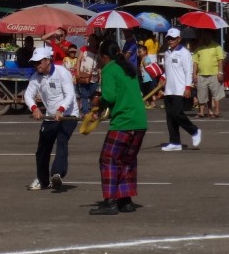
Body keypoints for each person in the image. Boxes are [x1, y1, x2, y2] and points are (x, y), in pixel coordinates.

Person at [89, 39, 148, 215]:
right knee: (127, 160)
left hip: (124, 121)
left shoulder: (109, 69)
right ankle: (125, 200)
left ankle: (110, 201)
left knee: (108, 159)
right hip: (139, 121)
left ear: (105, 57)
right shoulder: (127, 67)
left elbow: (110, 96)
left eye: (99, 56)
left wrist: (97, 101)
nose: (98, 59)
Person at [24, 45, 80, 191]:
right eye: (34, 63)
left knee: (62, 141)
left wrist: (61, 109)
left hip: (68, 115)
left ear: (47, 60)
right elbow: (28, 95)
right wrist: (34, 108)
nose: (36, 66)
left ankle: (57, 173)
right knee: (42, 148)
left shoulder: (62, 73)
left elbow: (70, 95)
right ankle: (42, 180)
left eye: (38, 62)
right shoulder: (36, 77)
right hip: (50, 116)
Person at [161, 27, 200, 151]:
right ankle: (175, 142)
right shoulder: (167, 53)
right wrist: (162, 77)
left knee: (177, 113)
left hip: (180, 88)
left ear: (179, 39)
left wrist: (188, 87)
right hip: (169, 89)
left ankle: (194, 131)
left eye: (173, 38)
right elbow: (167, 70)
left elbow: (188, 71)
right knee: (170, 116)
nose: (170, 40)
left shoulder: (184, 53)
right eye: (168, 38)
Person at [193, 30, 226, 118]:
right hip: (201, 74)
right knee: (201, 94)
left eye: (208, 34)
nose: (206, 36)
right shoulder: (198, 48)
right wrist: (194, 75)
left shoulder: (217, 47)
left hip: (214, 74)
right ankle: (201, 112)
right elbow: (195, 62)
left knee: (216, 94)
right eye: (204, 34)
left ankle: (217, 111)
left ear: (211, 36)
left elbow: (220, 60)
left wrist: (220, 72)